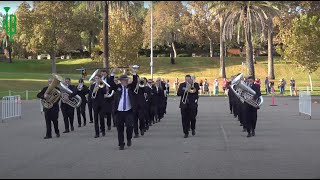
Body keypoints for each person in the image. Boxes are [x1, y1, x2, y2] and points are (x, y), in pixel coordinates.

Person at [109, 66, 137, 150]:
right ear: (120, 81)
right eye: (123, 80)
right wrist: (113, 72)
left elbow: (135, 82)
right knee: (120, 129)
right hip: (119, 112)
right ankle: (121, 144)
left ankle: (129, 138)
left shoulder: (130, 87)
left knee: (130, 126)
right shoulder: (117, 87)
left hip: (129, 111)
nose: (125, 81)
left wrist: (133, 72)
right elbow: (111, 83)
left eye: (126, 80)